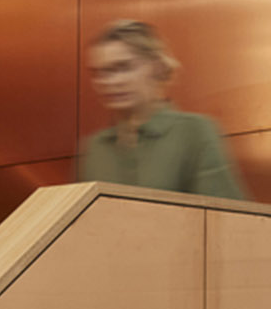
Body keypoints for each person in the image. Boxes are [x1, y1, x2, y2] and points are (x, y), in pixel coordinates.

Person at [76, 18, 247, 200]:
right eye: (100, 73)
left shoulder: (195, 132)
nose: (111, 82)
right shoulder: (95, 148)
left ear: (156, 66)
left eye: (123, 67)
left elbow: (228, 218)